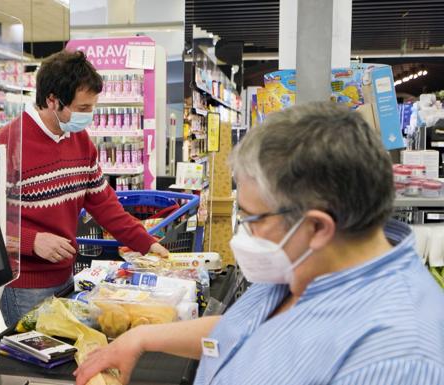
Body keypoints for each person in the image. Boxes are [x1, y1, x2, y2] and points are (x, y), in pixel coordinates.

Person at [74, 102, 444, 385]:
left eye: (252, 219)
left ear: (316, 227)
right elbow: (242, 334)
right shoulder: (305, 267)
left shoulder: (398, 357)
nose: (242, 236)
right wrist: (141, 337)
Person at [0, 50, 168, 327]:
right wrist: (31, 241)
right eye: (83, 108)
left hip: (65, 276)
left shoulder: (79, 139)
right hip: (25, 286)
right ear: (52, 100)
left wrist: (145, 243)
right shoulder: (8, 144)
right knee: (38, 367)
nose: (90, 116)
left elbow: (103, 202)